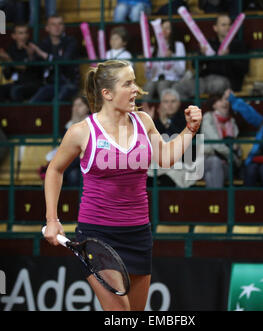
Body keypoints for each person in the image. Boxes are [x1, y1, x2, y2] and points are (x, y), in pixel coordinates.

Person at [43, 59, 202, 311]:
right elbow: (55, 169)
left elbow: (166, 158)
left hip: (139, 234)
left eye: (135, 82)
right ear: (107, 93)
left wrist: (190, 131)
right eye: (128, 84)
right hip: (97, 236)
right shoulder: (82, 132)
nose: (136, 89)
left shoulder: (144, 121)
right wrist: (52, 219)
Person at [173, 13, 248, 99]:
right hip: (205, 79)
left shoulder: (239, 45)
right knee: (177, 87)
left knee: (217, 84)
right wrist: (202, 55)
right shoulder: (209, 43)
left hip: (227, 80)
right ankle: (189, 110)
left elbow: (244, 68)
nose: (228, 28)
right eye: (224, 25)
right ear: (215, 28)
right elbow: (195, 65)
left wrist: (228, 57)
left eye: (229, 24)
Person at [29, 14, 79, 102]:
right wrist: (31, 56)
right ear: (47, 28)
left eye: (60, 24)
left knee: (56, 103)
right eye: (53, 24)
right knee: (32, 104)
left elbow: (65, 60)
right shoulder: (43, 44)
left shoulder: (71, 41)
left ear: (64, 27)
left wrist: (44, 55)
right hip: (49, 84)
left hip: (68, 83)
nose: (57, 27)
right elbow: (34, 69)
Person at [42, 95, 91, 185]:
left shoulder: (91, 124)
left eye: (80, 105)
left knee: (73, 175)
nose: (76, 108)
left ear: (87, 108)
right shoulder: (69, 126)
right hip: (71, 162)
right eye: (74, 105)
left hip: (85, 163)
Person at [201, 93, 241, 188]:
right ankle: (219, 199)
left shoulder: (232, 122)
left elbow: (237, 148)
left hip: (226, 163)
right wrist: (231, 154)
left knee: (210, 176)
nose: (225, 102)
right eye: (220, 100)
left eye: (226, 100)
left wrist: (237, 148)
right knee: (215, 162)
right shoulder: (208, 118)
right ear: (214, 105)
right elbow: (216, 144)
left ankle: (214, 201)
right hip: (206, 160)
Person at [143, 20, 186, 102]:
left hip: (172, 79)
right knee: (147, 87)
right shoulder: (152, 49)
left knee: (162, 85)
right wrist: (147, 69)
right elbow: (148, 77)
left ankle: (164, 113)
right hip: (155, 80)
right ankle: (144, 113)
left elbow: (181, 71)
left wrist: (171, 58)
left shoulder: (178, 46)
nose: (164, 31)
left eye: (167, 28)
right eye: (161, 28)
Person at [0, 23, 42, 102]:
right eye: (20, 33)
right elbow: (7, 76)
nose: (24, 36)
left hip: (33, 84)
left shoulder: (33, 47)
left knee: (15, 91)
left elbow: (24, 67)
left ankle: (20, 113)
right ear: (14, 36)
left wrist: (8, 59)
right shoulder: (11, 49)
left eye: (26, 33)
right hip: (18, 83)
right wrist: (5, 63)